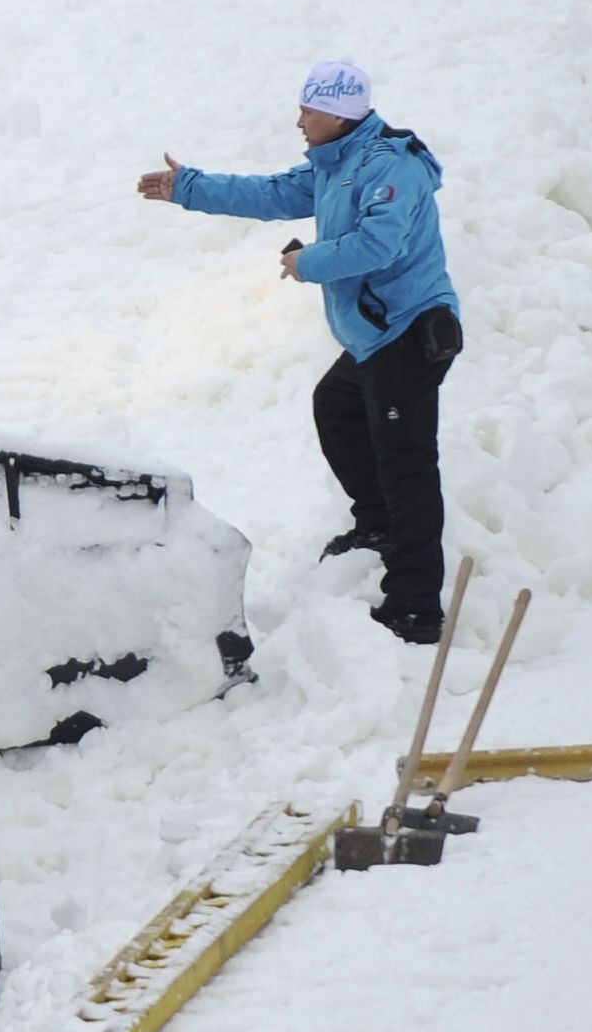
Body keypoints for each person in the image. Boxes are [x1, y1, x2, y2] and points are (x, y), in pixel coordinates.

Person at [136, 61, 462, 644]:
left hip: (409, 332)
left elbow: (378, 244)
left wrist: (305, 262)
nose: (298, 121)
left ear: (337, 113)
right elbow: (272, 193)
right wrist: (188, 187)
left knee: (407, 466)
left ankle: (416, 607)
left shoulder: (391, 167)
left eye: (306, 110)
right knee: (335, 408)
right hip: (374, 334)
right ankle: (378, 524)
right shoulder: (338, 163)